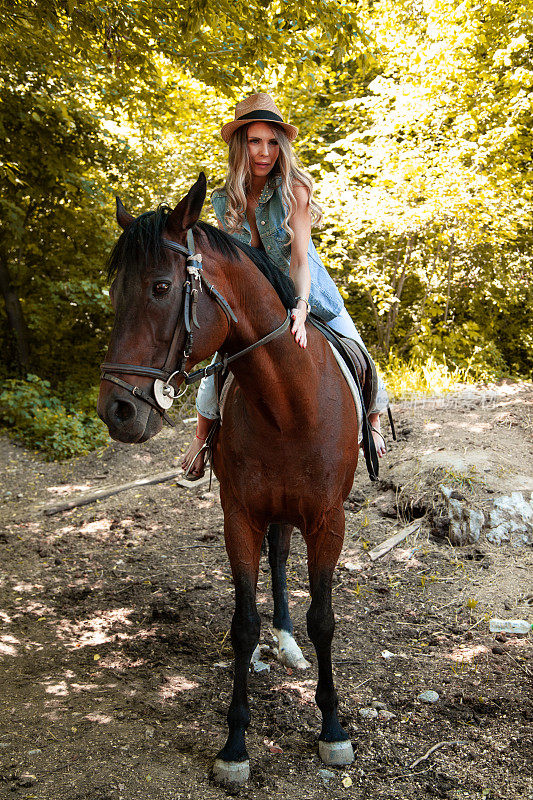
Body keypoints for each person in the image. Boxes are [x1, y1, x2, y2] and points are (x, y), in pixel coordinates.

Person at [181, 93, 389, 478]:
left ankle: (371, 423)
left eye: (273, 142)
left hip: (306, 284)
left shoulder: (295, 190)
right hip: (257, 298)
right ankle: (201, 438)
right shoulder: (225, 200)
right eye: (255, 141)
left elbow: (298, 259)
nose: (265, 152)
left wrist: (302, 304)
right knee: (219, 362)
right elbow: (233, 267)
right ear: (241, 145)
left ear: (283, 145)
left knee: (358, 351)